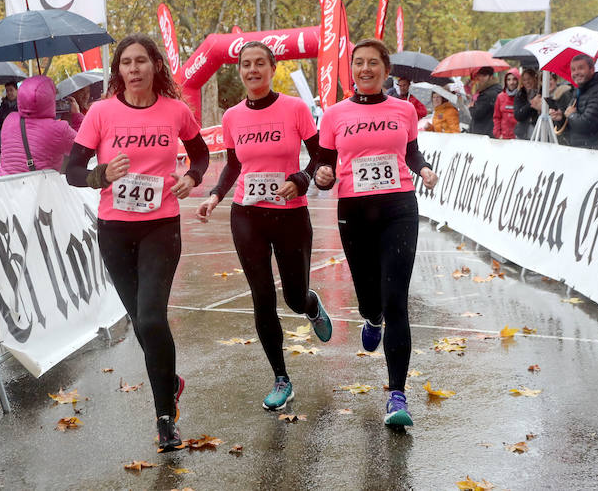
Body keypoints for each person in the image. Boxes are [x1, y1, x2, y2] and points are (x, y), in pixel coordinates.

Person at [65, 34, 209, 453]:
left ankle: (165, 418)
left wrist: (192, 177)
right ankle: (171, 382)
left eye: (141, 61)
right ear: (118, 71)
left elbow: (199, 155)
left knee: (150, 318)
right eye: (126, 63)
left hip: (161, 226)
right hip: (115, 229)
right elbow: (72, 170)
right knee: (143, 324)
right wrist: (101, 175)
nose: (134, 69)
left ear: (154, 66)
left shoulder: (175, 112)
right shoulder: (101, 113)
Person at [195, 41, 333, 412]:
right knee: (262, 297)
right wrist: (214, 196)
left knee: (292, 297)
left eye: (260, 64)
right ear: (239, 71)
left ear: (272, 69)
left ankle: (311, 305)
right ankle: (281, 378)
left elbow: (320, 154)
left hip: (290, 213)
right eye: (245, 65)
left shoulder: (295, 108)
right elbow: (234, 165)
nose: (252, 70)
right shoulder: (232, 117)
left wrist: (302, 178)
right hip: (248, 214)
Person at [313, 39, 439, 427]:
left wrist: (425, 169)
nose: (365, 69)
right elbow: (324, 165)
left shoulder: (404, 110)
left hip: (399, 207)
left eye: (373, 63)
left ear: (386, 70)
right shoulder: (334, 114)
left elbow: (412, 152)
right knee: (371, 297)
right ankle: (371, 318)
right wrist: (321, 176)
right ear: (351, 70)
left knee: (396, 297)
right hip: (354, 210)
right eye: (358, 63)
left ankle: (397, 394)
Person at [0, 76, 81, 176]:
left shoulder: (9, 119)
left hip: (6, 188)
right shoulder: (59, 129)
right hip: (39, 189)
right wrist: (77, 116)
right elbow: (83, 148)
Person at [550, 54, 598, 150]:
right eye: (573, 69)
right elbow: (572, 128)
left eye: (581, 68)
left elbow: (587, 124)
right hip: (582, 152)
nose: (576, 72)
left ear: (592, 70)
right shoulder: (579, 91)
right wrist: (561, 119)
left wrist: (571, 115)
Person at [468, 67, 501, 136]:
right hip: (490, 131)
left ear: (491, 77)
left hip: (483, 133)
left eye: (484, 76)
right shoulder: (496, 89)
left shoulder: (487, 94)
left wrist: (471, 107)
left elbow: (476, 114)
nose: (481, 78)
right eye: (480, 75)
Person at [513, 68, 540, 140]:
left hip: (537, 132)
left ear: (535, 79)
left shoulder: (541, 92)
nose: (527, 82)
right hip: (522, 132)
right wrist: (531, 104)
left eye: (529, 79)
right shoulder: (520, 94)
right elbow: (518, 115)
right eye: (524, 80)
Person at [493, 69, 520, 139]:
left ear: (518, 81)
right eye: (508, 79)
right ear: (505, 81)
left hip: (518, 138)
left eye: (514, 79)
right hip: (503, 138)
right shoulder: (500, 97)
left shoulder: (522, 96)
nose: (511, 82)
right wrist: (498, 134)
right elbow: (496, 117)